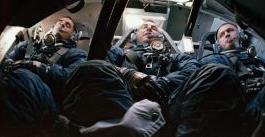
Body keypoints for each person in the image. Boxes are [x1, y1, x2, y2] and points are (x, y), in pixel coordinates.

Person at [60, 20, 200, 136]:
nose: (149, 29)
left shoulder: (176, 58)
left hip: (168, 104)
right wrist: (129, 74)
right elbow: (99, 63)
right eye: (144, 27)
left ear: (161, 37)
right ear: (134, 36)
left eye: (153, 28)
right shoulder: (119, 53)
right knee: (91, 68)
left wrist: (164, 82)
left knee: (213, 72)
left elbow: (194, 70)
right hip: (124, 101)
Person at [167, 23, 265, 137]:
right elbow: (192, 78)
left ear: (240, 35)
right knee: (221, 72)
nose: (227, 34)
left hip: (258, 108)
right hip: (229, 112)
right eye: (222, 34)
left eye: (230, 30)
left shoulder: (260, 62)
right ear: (218, 44)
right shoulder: (213, 60)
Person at [0, 16, 87, 106]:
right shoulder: (30, 44)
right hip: (13, 85)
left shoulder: (75, 54)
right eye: (60, 21)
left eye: (67, 25)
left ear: (73, 35)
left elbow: (70, 77)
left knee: (23, 76)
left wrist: (34, 65)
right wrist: (10, 64)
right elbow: (5, 59)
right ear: (53, 27)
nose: (62, 24)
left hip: (42, 100)